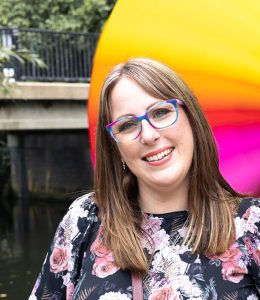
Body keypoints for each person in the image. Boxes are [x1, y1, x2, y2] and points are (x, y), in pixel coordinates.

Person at [29, 58, 260, 300]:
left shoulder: (252, 224)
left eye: (160, 112)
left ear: (192, 118)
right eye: (128, 126)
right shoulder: (85, 220)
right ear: (114, 147)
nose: (148, 136)